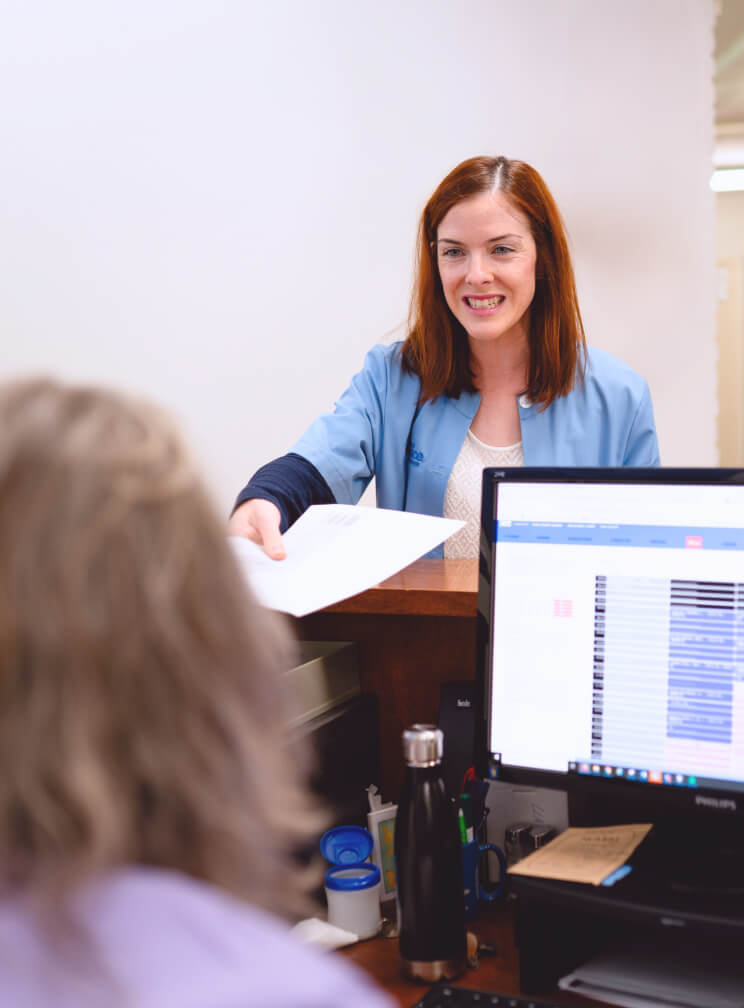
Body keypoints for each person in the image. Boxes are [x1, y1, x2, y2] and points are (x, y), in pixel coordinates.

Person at [0, 378, 391, 1007]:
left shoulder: (609, 396)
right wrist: (265, 498)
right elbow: (312, 466)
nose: (476, 273)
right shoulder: (285, 992)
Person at [229, 155, 659, 560]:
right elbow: (322, 461)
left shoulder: (619, 396)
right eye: (454, 252)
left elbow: (644, 557)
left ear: (542, 258)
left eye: (501, 249)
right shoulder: (391, 378)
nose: (476, 275)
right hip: (426, 638)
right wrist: (265, 498)